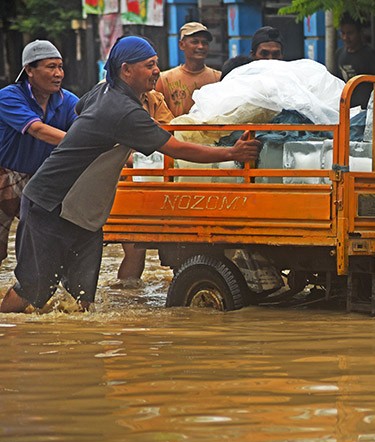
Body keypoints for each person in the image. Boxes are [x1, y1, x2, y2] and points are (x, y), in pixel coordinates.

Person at [0, 36, 260, 314]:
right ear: (126, 70)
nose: (156, 71)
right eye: (149, 65)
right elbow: (176, 148)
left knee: (81, 300)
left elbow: (79, 109)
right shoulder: (123, 111)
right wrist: (232, 154)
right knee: (33, 290)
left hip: (85, 213)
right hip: (50, 205)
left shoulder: (101, 93)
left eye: (156, 64)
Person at [0, 40, 79, 265]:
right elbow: (37, 129)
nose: (58, 74)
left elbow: (85, 127)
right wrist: (81, 142)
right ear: (29, 71)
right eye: (51, 67)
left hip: (41, 177)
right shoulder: (9, 97)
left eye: (60, 67)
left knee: (47, 245)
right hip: (5, 174)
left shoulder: (68, 101)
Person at [115, 88, 175, 284]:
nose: (155, 71)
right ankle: (126, 298)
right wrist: (134, 159)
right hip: (125, 182)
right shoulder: (106, 97)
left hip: (154, 178)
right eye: (149, 66)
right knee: (135, 251)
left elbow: (168, 132)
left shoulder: (154, 98)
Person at [155, 22, 221, 116]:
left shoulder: (218, 78)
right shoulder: (164, 79)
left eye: (204, 43)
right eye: (195, 42)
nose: (200, 46)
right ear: (182, 45)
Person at [333, 14, 375, 108]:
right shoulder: (339, 54)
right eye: (343, 33)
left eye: (350, 33)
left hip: (366, 110)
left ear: (360, 33)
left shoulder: (370, 56)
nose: (345, 37)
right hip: (346, 110)